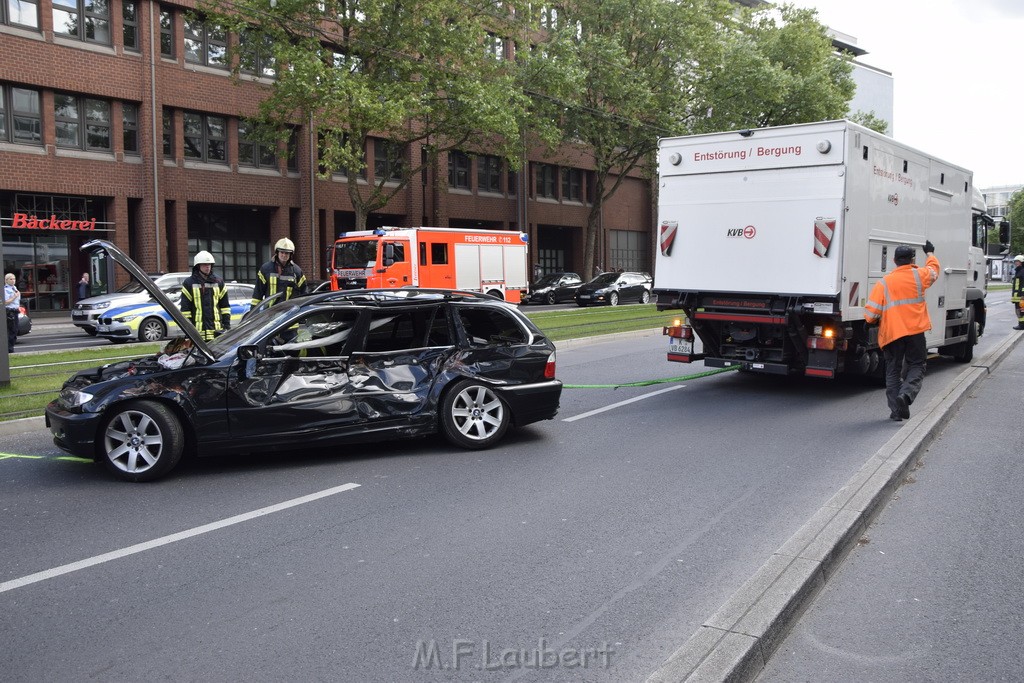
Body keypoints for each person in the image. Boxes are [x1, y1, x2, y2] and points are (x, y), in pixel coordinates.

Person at [864, 242, 940, 422]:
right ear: (912, 259)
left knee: (892, 371)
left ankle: (896, 412)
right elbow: (934, 269)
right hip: (915, 331)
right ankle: (906, 395)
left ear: (894, 260)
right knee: (917, 365)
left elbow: (871, 314)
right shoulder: (920, 275)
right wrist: (930, 253)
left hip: (892, 334)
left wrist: (871, 321)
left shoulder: (884, 283)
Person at [179, 251, 231, 342]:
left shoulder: (219, 282)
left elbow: (225, 307)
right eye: (204, 264)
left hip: (216, 331)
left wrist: (226, 326)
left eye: (209, 264)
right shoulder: (189, 283)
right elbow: (185, 310)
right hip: (197, 332)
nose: (207, 266)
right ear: (198, 266)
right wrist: (189, 329)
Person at [252, 237, 307, 308]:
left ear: (291, 254)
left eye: (287, 253)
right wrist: (253, 311)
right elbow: (258, 293)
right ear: (277, 252)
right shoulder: (265, 269)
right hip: (270, 312)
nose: (284, 255)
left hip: (289, 312)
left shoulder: (296, 271)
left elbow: (304, 292)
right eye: (282, 252)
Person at [4, 273, 21, 353]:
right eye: (11, 279)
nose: (13, 280)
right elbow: (5, 302)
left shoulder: (14, 288)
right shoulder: (5, 290)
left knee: (15, 330)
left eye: (14, 279)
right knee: (12, 330)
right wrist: (14, 296)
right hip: (10, 311)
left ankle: (10, 348)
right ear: (6, 280)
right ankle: (9, 349)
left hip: (15, 310)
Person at [1011, 254, 1024, 330]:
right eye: (1015, 261)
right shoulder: (1018, 271)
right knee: (1019, 310)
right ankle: (1021, 324)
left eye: (1017, 261)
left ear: (1021, 262)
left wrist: (1023, 294)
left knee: (1021, 311)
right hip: (1017, 296)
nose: (1016, 263)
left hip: (1021, 296)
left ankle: (1022, 325)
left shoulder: (1022, 271)